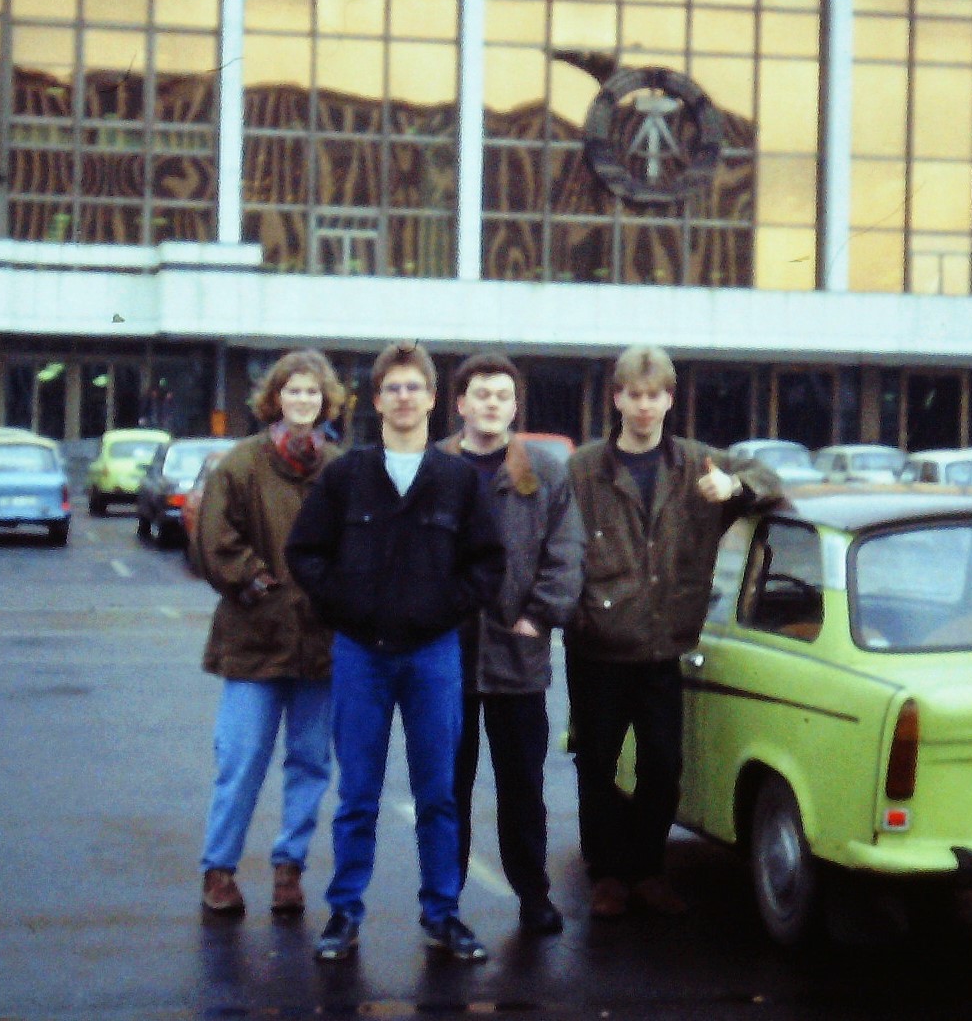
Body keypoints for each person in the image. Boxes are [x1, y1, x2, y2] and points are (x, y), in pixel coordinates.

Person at [287, 342, 507, 963]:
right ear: (376, 400)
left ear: (434, 400)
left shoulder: (458, 481)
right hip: (361, 655)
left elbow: (487, 564)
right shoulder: (345, 475)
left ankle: (443, 914)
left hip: (434, 655)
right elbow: (305, 553)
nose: (404, 398)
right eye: (393, 388)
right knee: (358, 793)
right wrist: (345, 608)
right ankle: (344, 912)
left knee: (438, 793)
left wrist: (442, 609)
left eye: (415, 387)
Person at [565, 345, 783, 919]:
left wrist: (735, 490)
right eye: (632, 395)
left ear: (669, 398)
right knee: (597, 763)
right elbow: (557, 545)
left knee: (663, 766)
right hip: (599, 645)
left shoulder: (698, 464)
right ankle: (607, 873)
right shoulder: (585, 468)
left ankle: (648, 868)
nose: (643, 406)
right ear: (616, 399)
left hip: (664, 644)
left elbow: (770, 477)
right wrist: (575, 614)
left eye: (653, 395)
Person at [196, 349, 348, 918]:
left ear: (325, 400)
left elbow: (354, 546)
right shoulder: (240, 464)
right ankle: (219, 869)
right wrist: (260, 584)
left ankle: (290, 868)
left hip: (321, 645)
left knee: (311, 762)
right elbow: (215, 542)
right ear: (274, 398)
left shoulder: (337, 468)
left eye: (313, 392)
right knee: (241, 758)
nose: (304, 400)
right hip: (254, 640)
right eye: (294, 391)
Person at [441, 353, 584, 936]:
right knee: (447, 783)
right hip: (444, 656)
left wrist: (539, 615)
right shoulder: (434, 467)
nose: (491, 403)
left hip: (515, 652)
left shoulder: (545, 471)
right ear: (460, 403)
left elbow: (566, 550)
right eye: (481, 394)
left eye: (502, 394)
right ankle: (442, 898)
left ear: (514, 405)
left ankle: (533, 893)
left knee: (522, 785)